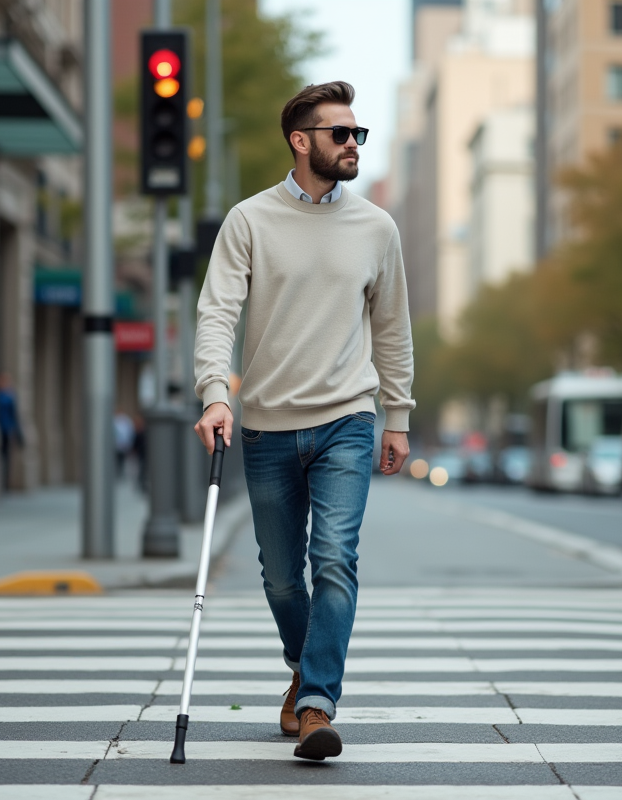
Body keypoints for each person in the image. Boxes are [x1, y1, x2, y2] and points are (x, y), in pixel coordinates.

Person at [193, 81, 414, 761]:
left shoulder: (377, 228)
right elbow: (217, 312)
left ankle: (317, 704)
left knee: (334, 563)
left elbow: (393, 329)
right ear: (300, 140)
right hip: (264, 425)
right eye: (340, 134)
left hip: (348, 418)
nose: (353, 144)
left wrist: (397, 415)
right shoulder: (249, 221)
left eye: (358, 135)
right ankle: (303, 664)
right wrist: (213, 393)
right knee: (283, 576)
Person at [0, 372, 23, 492]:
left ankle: (4, 482)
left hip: (6, 429)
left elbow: (15, 415)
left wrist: (16, 431)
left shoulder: (9, 396)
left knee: (5, 455)